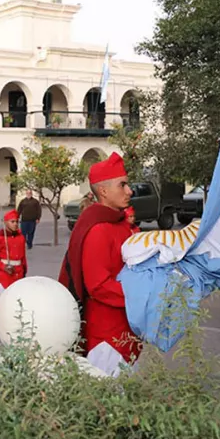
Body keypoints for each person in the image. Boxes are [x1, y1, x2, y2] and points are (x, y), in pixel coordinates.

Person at [57, 152, 139, 376]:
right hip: (107, 339)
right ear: (103, 191)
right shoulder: (99, 229)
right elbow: (98, 286)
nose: (129, 190)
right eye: (122, 185)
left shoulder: (119, 223)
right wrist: (141, 295)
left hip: (125, 332)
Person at [0, 210, 28, 313]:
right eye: (12, 222)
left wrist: (24, 269)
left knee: (17, 300)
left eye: (17, 221)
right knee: (3, 301)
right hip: (4, 275)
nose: (15, 224)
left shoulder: (21, 238)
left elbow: (23, 257)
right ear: (6, 222)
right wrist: (3, 267)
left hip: (18, 273)